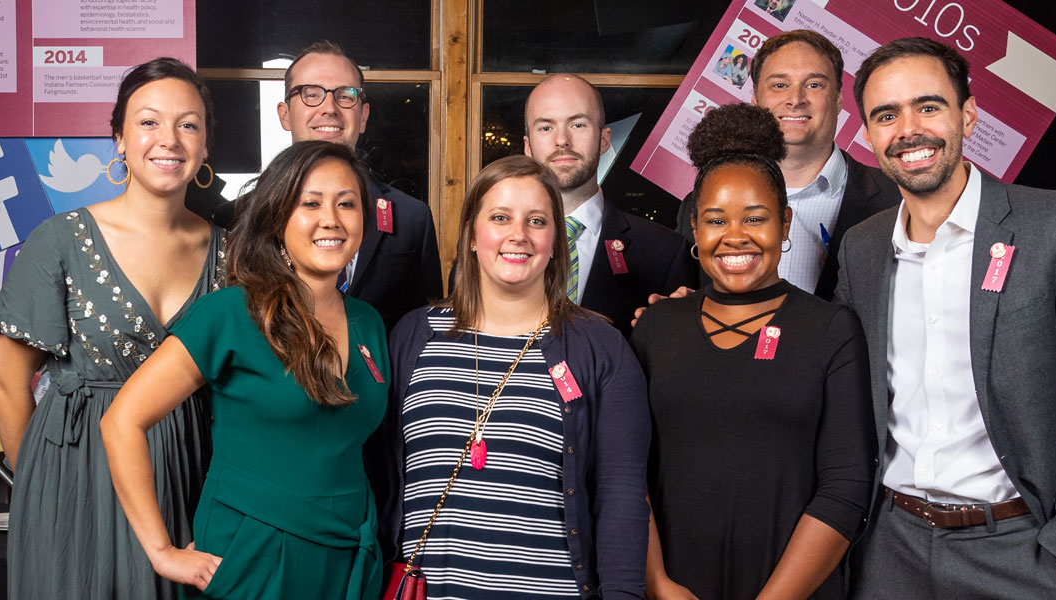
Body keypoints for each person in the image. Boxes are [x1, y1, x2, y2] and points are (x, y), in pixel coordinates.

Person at [835, 37, 1056, 599]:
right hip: (891, 549)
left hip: (1024, 546)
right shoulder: (860, 249)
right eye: (886, 115)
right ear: (867, 135)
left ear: (969, 113)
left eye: (928, 106)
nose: (908, 129)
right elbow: (831, 376)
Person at [102, 141, 389, 599]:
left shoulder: (368, 322)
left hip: (350, 547)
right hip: (254, 545)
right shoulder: (231, 312)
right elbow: (122, 421)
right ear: (277, 219)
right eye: (310, 203)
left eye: (347, 203)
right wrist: (161, 550)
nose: (331, 218)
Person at [0, 57, 223, 600]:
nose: (169, 139)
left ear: (206, 145)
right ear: (118, 138)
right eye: (148, 122)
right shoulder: (61, 239)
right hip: (75, 470)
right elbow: (5, 378)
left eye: (188, 124)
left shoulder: (230, 251)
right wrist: (42, 485)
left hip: (189, 469)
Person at [373, 155, 651, 599]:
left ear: (556, 239)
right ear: (470, 235)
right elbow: (378, 474)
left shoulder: (601, 348)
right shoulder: (413, 336)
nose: (517, 235)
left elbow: (621, 497)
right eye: (500, 217)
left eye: (537, 221)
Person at [634, 103, 875, 600]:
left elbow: (846, 487)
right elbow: (625, 470)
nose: (735, 236)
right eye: (716, 219)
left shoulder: (831, 329)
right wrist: (657, 584)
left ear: (785, 224)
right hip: (673, 587)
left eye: (756, 218)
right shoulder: (655, 328)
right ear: (695, 232)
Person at [676, 30, 900, 300]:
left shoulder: (896, 200)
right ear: (756, 100)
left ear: (839, 99)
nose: (796, 99)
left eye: (814, 85)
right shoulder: (700, 204)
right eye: (779, 85)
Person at [274, 41, 442, 331]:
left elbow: (427, 335)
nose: (329, 108)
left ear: (362, 116)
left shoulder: (412, 218)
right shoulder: (239, 217)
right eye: (311, 94)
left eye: (345, 96)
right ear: (285, 114)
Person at [522, 74, 694, 337]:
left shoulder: (665, 252)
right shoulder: (490, 247)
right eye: (546, 128)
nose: (562, 141)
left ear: (604, 140)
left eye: (578, 125)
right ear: (528, 146)